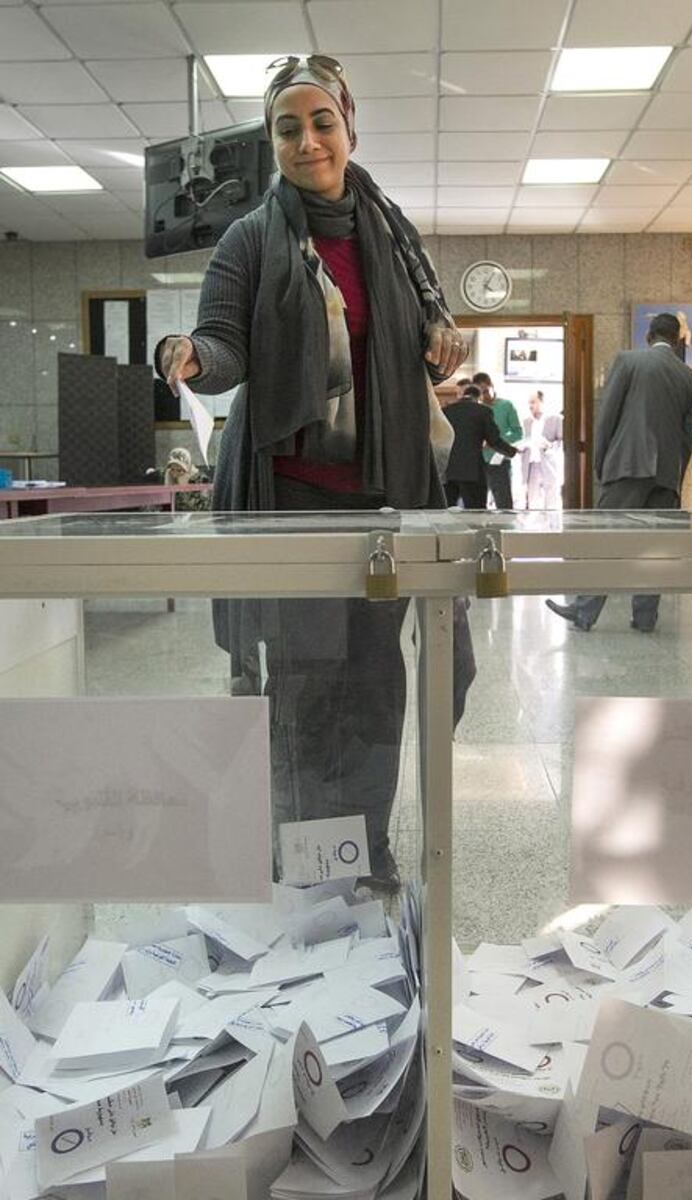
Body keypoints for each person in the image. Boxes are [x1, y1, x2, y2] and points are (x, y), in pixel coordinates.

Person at [156, 53, 473, 892]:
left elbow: (430, 330)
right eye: (286, 128)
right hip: (290, 507)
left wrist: (445, 340)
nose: (306, 141)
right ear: (271, 143)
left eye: (319, 122)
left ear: (348, 126)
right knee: (303, 692)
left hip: (385, 504)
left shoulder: (391, 232)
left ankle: (367, 850)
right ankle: (304, 854)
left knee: (375, 690)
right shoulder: (250, 238)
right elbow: (222, 342)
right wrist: (191, 356)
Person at [545, 312, 692, 633]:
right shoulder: (690, 378)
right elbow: (688, 438)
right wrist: (675, 479)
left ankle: (584, 612)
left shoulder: (628, 362)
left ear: (648, 335)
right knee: (655, 550)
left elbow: (607, 417)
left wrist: (601, 462)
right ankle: (645, 618)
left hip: (627, 466)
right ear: (677, 340)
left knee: (606, 541)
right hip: (666, 475)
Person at [443, 384, 518, 508]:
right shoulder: (483, 411)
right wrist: (511, 451)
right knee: (476, 513)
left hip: (449, 471)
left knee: (447, 512)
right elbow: (494, 440)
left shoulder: (447, 411)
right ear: (479, 397)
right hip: (473, 471)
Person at [473, 371, 523, 509]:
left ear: (491, 386)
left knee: (504, 503)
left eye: (485, 390)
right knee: (478, 505)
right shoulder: (476, 409)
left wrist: (495, 441)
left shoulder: (506, 406)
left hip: (499, 460)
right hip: (479, 462)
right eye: (480, 392)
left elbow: (518, 433)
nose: (484, 395)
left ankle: (506, 529)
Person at [520, 391, 562, 509]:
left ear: (541, 402)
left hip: (549, 464)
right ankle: (534, 527)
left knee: (551, 501)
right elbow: (523, 440)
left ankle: (553, 526)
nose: (530, 405)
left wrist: (549, 446)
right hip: (531, 465)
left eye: (533, 402)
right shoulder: (526, 422)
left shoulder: (556, 419)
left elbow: (562, 441)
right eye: (529, 403)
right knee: (533, 501)